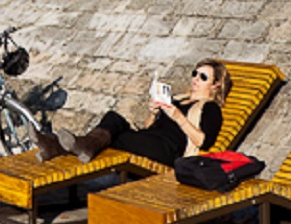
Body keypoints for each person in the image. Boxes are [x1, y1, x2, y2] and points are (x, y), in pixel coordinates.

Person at [34, 60, 232, 166]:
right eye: (195, 73)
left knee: (117, 137)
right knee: (114, 118)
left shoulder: (209, 108)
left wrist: (178, 117)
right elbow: (148, 127)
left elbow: (202, 141)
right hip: (149, 139)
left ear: (215, 84)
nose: (196, 79)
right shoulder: (178, 98)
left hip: (167, 151)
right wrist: (154, 112)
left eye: (203, 76)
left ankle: (61, 146)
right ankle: (66, 147)